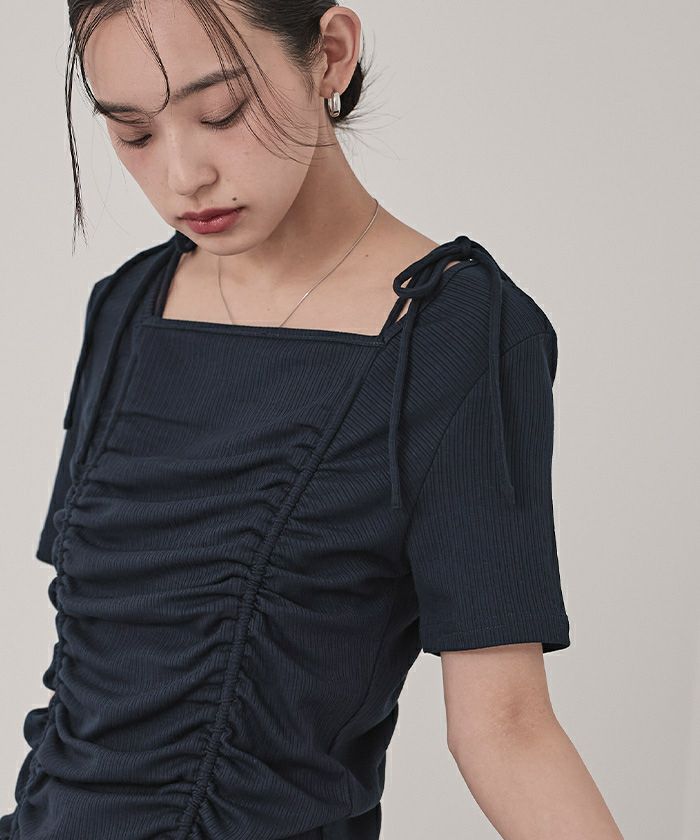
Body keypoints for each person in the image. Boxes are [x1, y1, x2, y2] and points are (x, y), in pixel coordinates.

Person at [1, 2, 624, 839]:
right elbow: (90, 674)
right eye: (133, 132)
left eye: (221, 112)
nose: (183, 176)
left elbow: (507, 729)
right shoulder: (127, 305)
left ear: (329, 53)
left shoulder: (457, 335)